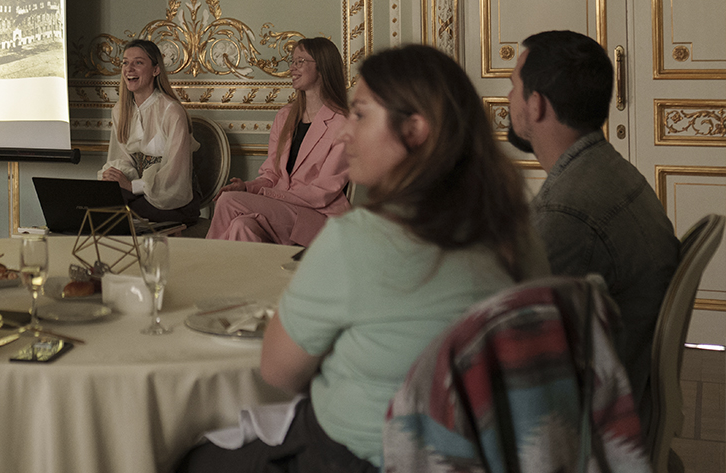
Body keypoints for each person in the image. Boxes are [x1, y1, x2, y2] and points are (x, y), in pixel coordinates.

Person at [180, 44, 547, 472]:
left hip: (359, 456)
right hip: (477, 457)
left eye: (361, 114)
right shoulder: (519, 233)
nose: (343, 132)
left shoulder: (357, 239)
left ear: (415, 129)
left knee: (184, 456)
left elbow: (277, 372)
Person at [507, 29, 678, 430]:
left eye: (513, 86)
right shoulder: (608, 170)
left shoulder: (567, 214)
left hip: (588, 429)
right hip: (622, 392)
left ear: (536, 105)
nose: (508, 98)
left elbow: (514, 348)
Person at [208, 37, 351, 245]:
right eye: (292, 62)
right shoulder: (285, 117)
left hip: (318, 218)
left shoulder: (342, 123)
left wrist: (269, 195)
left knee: (228, 201)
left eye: (300, 62)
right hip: (282, 212)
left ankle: (210, 265)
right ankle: (247, 278)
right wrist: (247, 188)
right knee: (243, 226)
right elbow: (272, 175)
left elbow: (322, 193)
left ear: (323, 67)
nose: (292, 68)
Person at [100, 39, 201, 224]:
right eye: (125, 63)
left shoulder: (172, 111)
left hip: (173, 198)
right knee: (99, 204)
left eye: (138, 63)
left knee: (117, 214)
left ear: (155, 70)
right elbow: (121, 159)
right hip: (138, 194)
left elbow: (175, 176)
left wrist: (132, 186)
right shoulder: (119, 110)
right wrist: (114, 178)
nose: (129, 69)